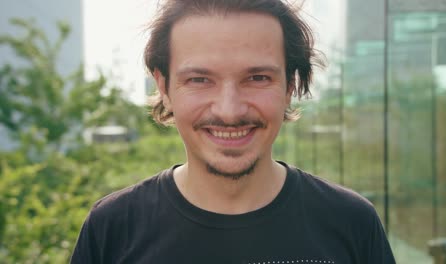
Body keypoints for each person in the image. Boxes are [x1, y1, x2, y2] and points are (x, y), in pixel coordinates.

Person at [71, 0, 396, 263]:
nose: (229, 110)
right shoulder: (112, 228)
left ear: (289, 87)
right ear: (164, 86)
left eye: (257, 78)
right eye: (199, 79)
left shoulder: (351, 222)